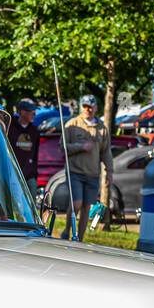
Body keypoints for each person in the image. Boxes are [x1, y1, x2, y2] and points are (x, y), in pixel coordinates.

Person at [62, 93, 114, 241]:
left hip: (92, 174)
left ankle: (80, 238)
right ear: (81, 107)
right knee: (76, 203)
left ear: (96, 108)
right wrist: (81, 146)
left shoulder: (102, 128)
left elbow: (106, 153)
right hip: (75, 172)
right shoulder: (72, 125)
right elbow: (63, 147)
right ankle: (67, 231)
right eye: (85, 106)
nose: (88, 109)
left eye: (90, 107)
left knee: (86, 207)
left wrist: (109, 172)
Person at [7, 98, 42, 187]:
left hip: (30, 176)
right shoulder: (10, 129)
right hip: (13, 175)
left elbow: (35, 155)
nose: (34, 114)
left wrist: (34, 173)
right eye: (31, 111)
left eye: (34, 111)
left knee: (32, 193)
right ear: (22, 112)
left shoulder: (34, 131)